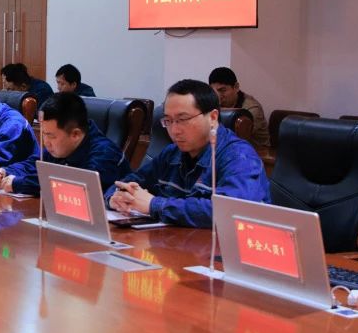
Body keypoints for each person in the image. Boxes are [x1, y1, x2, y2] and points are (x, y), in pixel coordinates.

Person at [107, 79, 270, 228]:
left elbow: (229, 211)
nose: (174, 130)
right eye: (168, 121)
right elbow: (128, 182)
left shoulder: (239, 157)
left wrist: (154, 205)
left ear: (213, 117)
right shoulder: (171, 153)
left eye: (182, 120)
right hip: (179, 242)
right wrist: (116, 197)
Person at [0, 92, 129, 197]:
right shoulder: (61, 146)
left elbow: (74, 185)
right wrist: (6, 172)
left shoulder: (105, 153)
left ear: (75, 134)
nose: (45, 142)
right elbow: (34, 164)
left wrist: (19, 183)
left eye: (50, 136)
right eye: (43, 134)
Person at [208, 67, 271, 150]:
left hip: (259, 152)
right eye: (214, 91)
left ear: (236, 87)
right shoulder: (215, 104)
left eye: (222, 90)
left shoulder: (251, 108)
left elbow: (236, 135)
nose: (218, 96)